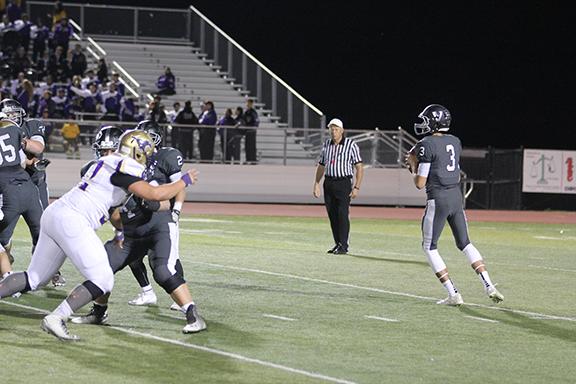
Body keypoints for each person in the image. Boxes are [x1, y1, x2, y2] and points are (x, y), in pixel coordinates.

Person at [0, 129, 199, 341]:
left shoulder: (104, 162)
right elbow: (155, 194)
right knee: (103, 279)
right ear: (140, 152)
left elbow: (113, 212)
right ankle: (57, 317)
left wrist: (121, 231)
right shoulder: (126, 165)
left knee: (34, 278)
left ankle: (58, 316)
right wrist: (184, 180)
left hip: (55, 213)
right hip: (74, 220)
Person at [71, 120, 206, 334]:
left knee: (163, 272)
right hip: (130, 232)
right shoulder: (93, 171)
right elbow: (114, 216)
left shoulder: (140, 169)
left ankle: (192, 313)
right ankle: (98, 311)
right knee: (100, 266)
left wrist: (155, 202)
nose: (106, 155)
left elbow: (162, 203)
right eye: (103, 150)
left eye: (110, 150)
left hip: (156, 227)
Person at [405, 104, 504, 306]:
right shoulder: (455, 141)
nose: (423, 123)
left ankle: (453, 293)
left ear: (434, 122)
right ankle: (489, 285)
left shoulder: (426, 144)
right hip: (456, 197)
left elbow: (419, 183)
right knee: (465, 243)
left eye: (426, 120)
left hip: (438, 199)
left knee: (429, 247)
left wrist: (413, 166)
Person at [0, 99, 45, 278]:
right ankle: (38, 274)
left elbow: (38, 149)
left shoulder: (29, 126)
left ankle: (8, 274)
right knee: (41, 233)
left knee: (3, 238)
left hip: (8, 186)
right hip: (24, 183)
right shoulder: (14, 132)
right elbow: (23, 161)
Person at [313, 118, 363, 255]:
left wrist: (356, 187)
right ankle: (338, 243)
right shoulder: (327, 144)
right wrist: (316, 183)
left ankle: (344, 245)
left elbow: (359, 167)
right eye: (331, 129)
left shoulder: (351, 145)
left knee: (342, 214)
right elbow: (321, 165)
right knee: (332, 215)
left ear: (342, 130)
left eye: (336, 129)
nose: (333, 132)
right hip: (329, 182)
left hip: (343, 182)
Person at [242, 99, 259, 164]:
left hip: (252, 131)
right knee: (247, 146)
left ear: (252, 104)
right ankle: (248, 159)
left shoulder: (253, 112)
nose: (248, 104)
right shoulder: (246, 112)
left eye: (249, 103)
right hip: (247, 131)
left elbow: (257, 120)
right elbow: (243, 120)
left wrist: (254, 127)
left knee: (252, 146)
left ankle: (253, 159)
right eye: (247, 103)